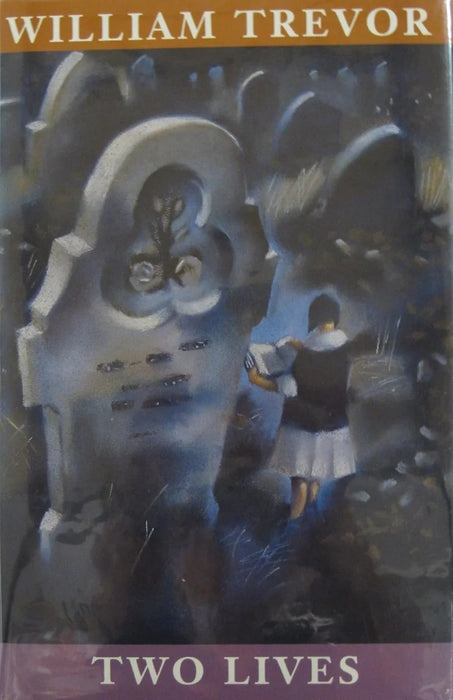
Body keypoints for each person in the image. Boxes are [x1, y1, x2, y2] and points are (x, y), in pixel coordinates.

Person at [247, 294, 355, 518]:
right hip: (333, 426)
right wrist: (301, 348)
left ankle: (294, 521)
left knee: (299, 480)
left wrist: (257, 379)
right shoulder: (345, 351)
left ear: (314, 318)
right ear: (334, 319)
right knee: (315, 477)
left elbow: (291, 388)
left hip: (302, 426)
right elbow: (327, 371)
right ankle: (310, 520)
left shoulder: (306, 355)